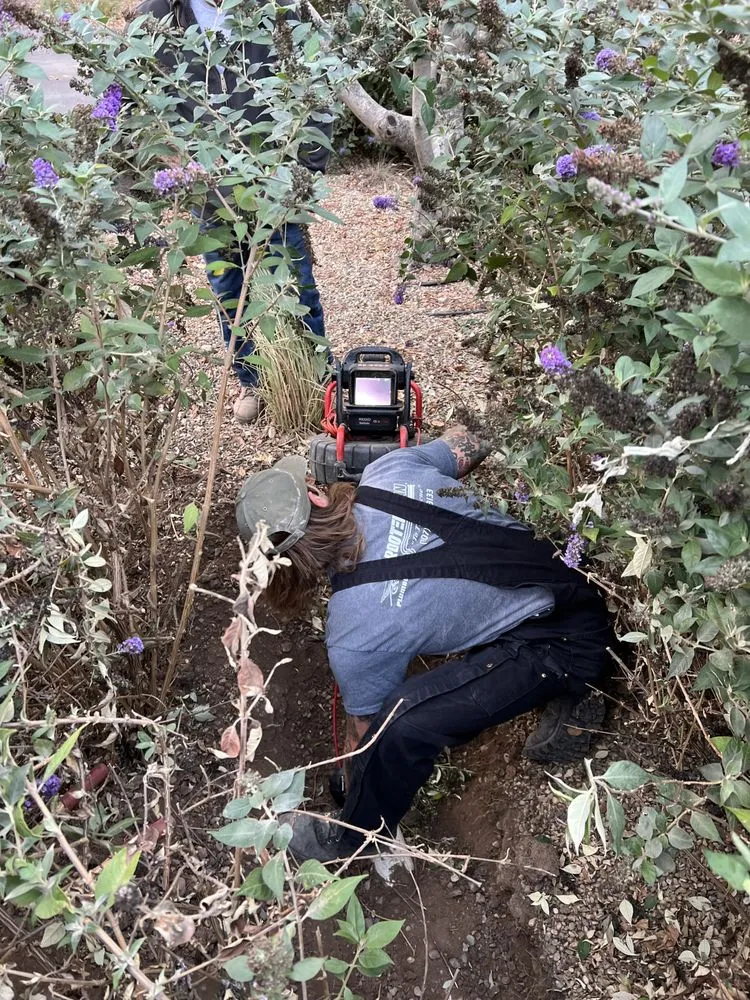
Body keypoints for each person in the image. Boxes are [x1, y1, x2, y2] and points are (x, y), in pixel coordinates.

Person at [235, 428, 614, 862]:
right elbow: (473, 438)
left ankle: (353, 838)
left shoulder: (353, 636)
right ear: (317, 497)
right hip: (579, 565)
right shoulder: (389, 468)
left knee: (401, 724)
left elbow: (365, 736)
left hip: (567, 641)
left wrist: (349, 779)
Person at [134, 0, 331, 424]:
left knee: (294, 282)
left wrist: (302, 175)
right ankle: (252, 382)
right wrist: (164, 157)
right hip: (210, 193)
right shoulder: (156, 13)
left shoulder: (279, 9)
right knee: (228, 291)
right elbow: (134, 97)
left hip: (276, 183)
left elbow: (317, 87)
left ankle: (318, 382)